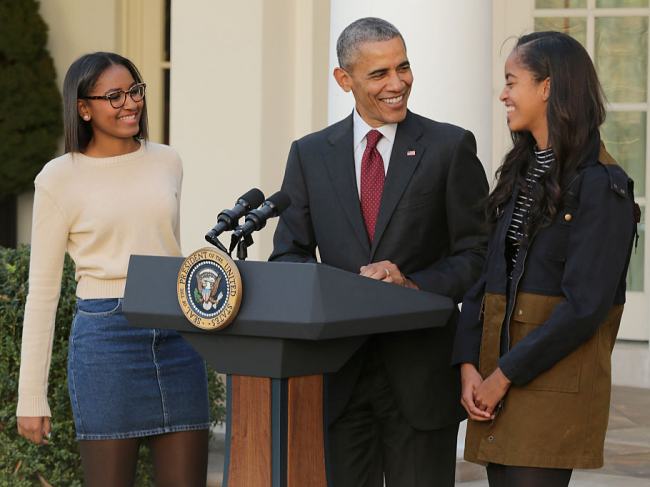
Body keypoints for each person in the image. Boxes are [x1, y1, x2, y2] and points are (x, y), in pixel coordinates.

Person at [270, 17, 489, 487]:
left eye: (403, 67)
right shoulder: (309, 154)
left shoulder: (450, 147)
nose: (398, 84)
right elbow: (288, 256)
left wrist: (414, 285)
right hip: (339, 376)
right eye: (379, 74)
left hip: (421, 376)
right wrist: (341, 291)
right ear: (343, 80)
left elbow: (477, 256)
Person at [452, 31, 638, 487]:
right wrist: (469, 364)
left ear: (548, 87)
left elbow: (586, 306)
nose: (503, 94)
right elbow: (487, 276)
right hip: (499, 375)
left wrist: (504, 375)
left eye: (512, 82)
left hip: (549, 384)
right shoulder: (521, 172)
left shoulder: (603, 185)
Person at [16, 52, 210, 486]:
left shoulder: (167, 161)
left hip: (179, 335)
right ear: (83, 107)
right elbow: (43, 293)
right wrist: (31, 396)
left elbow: (167, 247)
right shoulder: (58, 178)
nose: (131, 103)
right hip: (106, 341)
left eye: (135, 91)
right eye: (114, 96)